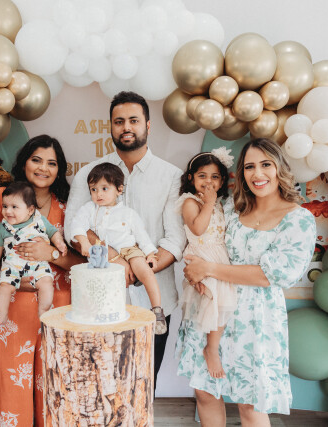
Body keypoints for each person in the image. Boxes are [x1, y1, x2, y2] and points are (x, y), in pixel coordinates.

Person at [178, 138, 316, 426]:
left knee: (250, 406)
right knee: (205, 392)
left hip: (256, 320)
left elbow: (271, 275)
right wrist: (193, 271)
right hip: (213, 309)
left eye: (265, 164)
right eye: (249, 167)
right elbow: (203, 242)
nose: (257, 174)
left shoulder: (298, 220)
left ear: (280, 168)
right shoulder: (232, 208)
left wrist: (209, 269)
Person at [64, 91, 186, 390]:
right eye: (119, 121)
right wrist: (117, 261)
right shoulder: (88, 174)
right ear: (110, 126)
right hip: (100, 299)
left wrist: (142, 269)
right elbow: (73, 229)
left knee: (143, 387)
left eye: (134, 120)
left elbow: (175, 238)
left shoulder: (171, 176)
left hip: (155, 298)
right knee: (100, 386)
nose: (126, 127)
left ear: (148, 125)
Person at [0, 135, 84, 427]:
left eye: (52, 163)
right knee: (11, 387)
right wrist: (19, 283)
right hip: (10, 309)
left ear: (59, 170)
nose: (43, 168)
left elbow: (82, 264)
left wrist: (51, 254)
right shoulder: (2, 198)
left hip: (57, 309)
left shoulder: (67, 206)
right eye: (36, 160)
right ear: (24, 163)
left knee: (55, 386)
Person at [70, 162, 167, 334]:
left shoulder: (129, 213)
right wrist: (84, 241)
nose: (98, 194)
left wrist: (151, 254)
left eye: (104, 188)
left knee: (146, 272)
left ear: (119, 189)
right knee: (107, 287)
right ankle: (107, 317)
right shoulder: (89, 209)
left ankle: (157, 310)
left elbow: (142, 236)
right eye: (93, 189)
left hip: (130, 250)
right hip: (104, 255)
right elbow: (77, 224)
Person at [176, 148, 238, 378]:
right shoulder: (190, 202)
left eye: (214, 177)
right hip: (202, 256)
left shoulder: (221, 204)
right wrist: (209, 203)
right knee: (213, 298)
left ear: (222, 181)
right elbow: (198, 229)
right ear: (191, 178)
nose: (208, 181)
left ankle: (213, 346)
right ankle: (210, 350)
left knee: (223, 300)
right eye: (202, 176)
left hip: (219, 257)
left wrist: (213, 202)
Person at [0, 181, 68, 325]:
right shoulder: (4, 226)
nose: (8, 211)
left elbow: (53, 232)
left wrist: (60, 243)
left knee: (46, 282)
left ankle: (43, 310)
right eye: (5, 206)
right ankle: (2, 314)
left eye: (14, 207)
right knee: (4, 288)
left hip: (37, 265)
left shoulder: (39, 220)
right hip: (12, 267)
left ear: (30, 210)